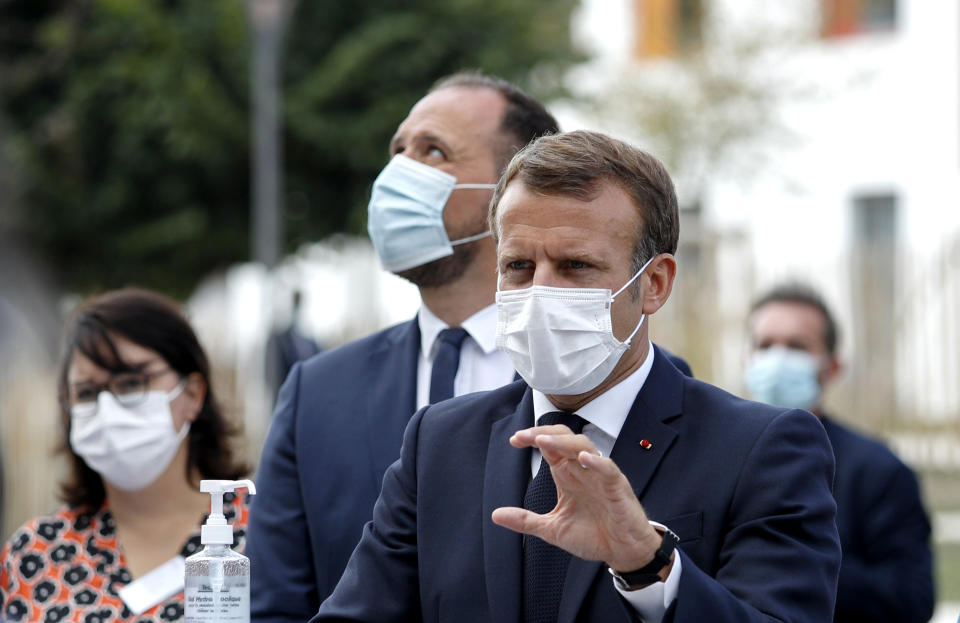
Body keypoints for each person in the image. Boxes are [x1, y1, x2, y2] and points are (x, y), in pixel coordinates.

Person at [313, 130, 840, 622]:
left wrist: (648, 564)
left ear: (653, 283)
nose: (541, 291)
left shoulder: (760, 449)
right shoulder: (441, 442)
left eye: (575, 267)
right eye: (518, 266)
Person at [245, 71, 561, 623]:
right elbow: (276, 602)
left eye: (433, 151)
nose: (398, 174)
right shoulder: (318, 392)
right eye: (398, 151)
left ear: (514, 192)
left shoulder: (600, 374)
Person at [0, 289, 251, 623]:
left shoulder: (264, 534)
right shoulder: (34, 553)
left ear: (192, 394)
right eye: (86, 393)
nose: (107, 408)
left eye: (132, 383)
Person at [745, 282, 934, 623]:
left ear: (831, 368)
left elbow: (912, 599)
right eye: (766, 345)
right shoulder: (717, 452)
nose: (777, 360)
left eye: (797, 347)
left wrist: (802, 556)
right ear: (749, 359)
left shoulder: (878, 471)